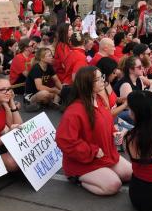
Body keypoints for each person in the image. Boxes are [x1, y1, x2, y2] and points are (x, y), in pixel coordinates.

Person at [56, 66, 132, 195]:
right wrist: (92, 151)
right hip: (84, 161)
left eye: (102, 77)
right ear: (87, 84)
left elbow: (106, 121)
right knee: (113, 185)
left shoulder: (99, 99)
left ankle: (104, 173)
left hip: (105, 154)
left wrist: (114, 132)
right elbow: (64, 140)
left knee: (129, 174)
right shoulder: (74, 111)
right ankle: (77, 178)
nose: (103, 80)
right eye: (98, 79)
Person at [24, 48, 62, 112]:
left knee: (63, 87)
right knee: (45, 93)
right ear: (42, 58)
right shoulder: (36, 68)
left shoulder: (49, 66)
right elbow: (39, 87)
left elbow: (56, 80)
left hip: (42, 92)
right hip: (31, 95)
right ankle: (30, 103)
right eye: (49, 56)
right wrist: (55, 90)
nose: (52, 57)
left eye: (51, 55)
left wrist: (62, 90)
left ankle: (53, 103)